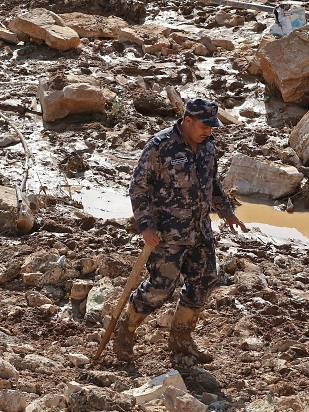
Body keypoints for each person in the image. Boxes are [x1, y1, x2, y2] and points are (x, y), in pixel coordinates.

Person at [114, 97, 248, 363]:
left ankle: (181, 338)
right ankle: (126, 329)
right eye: (204, 125)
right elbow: (138, 187)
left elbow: (212, 182)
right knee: (162, 287)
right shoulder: (160, 146)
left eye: (212, 126)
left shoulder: (207, 146)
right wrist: (146, 226)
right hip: (167, 234)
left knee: (205, 279)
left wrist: (227, 212)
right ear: (188, 121)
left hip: (200, 231)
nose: (209, 131)